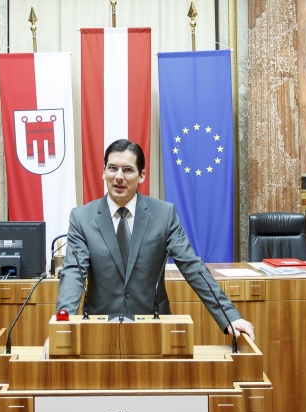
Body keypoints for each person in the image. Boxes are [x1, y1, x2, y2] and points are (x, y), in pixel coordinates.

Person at [56, 139, 255, 340]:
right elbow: (74, 273)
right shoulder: (82, 218)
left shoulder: (163, 214)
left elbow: (192, 266)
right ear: (103, 171)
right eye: (112, 168)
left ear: (141, 175)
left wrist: (229, 315)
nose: (118, 177)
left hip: (153, 325)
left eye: (127, 170)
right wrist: (61, 328)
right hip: (99, 327)